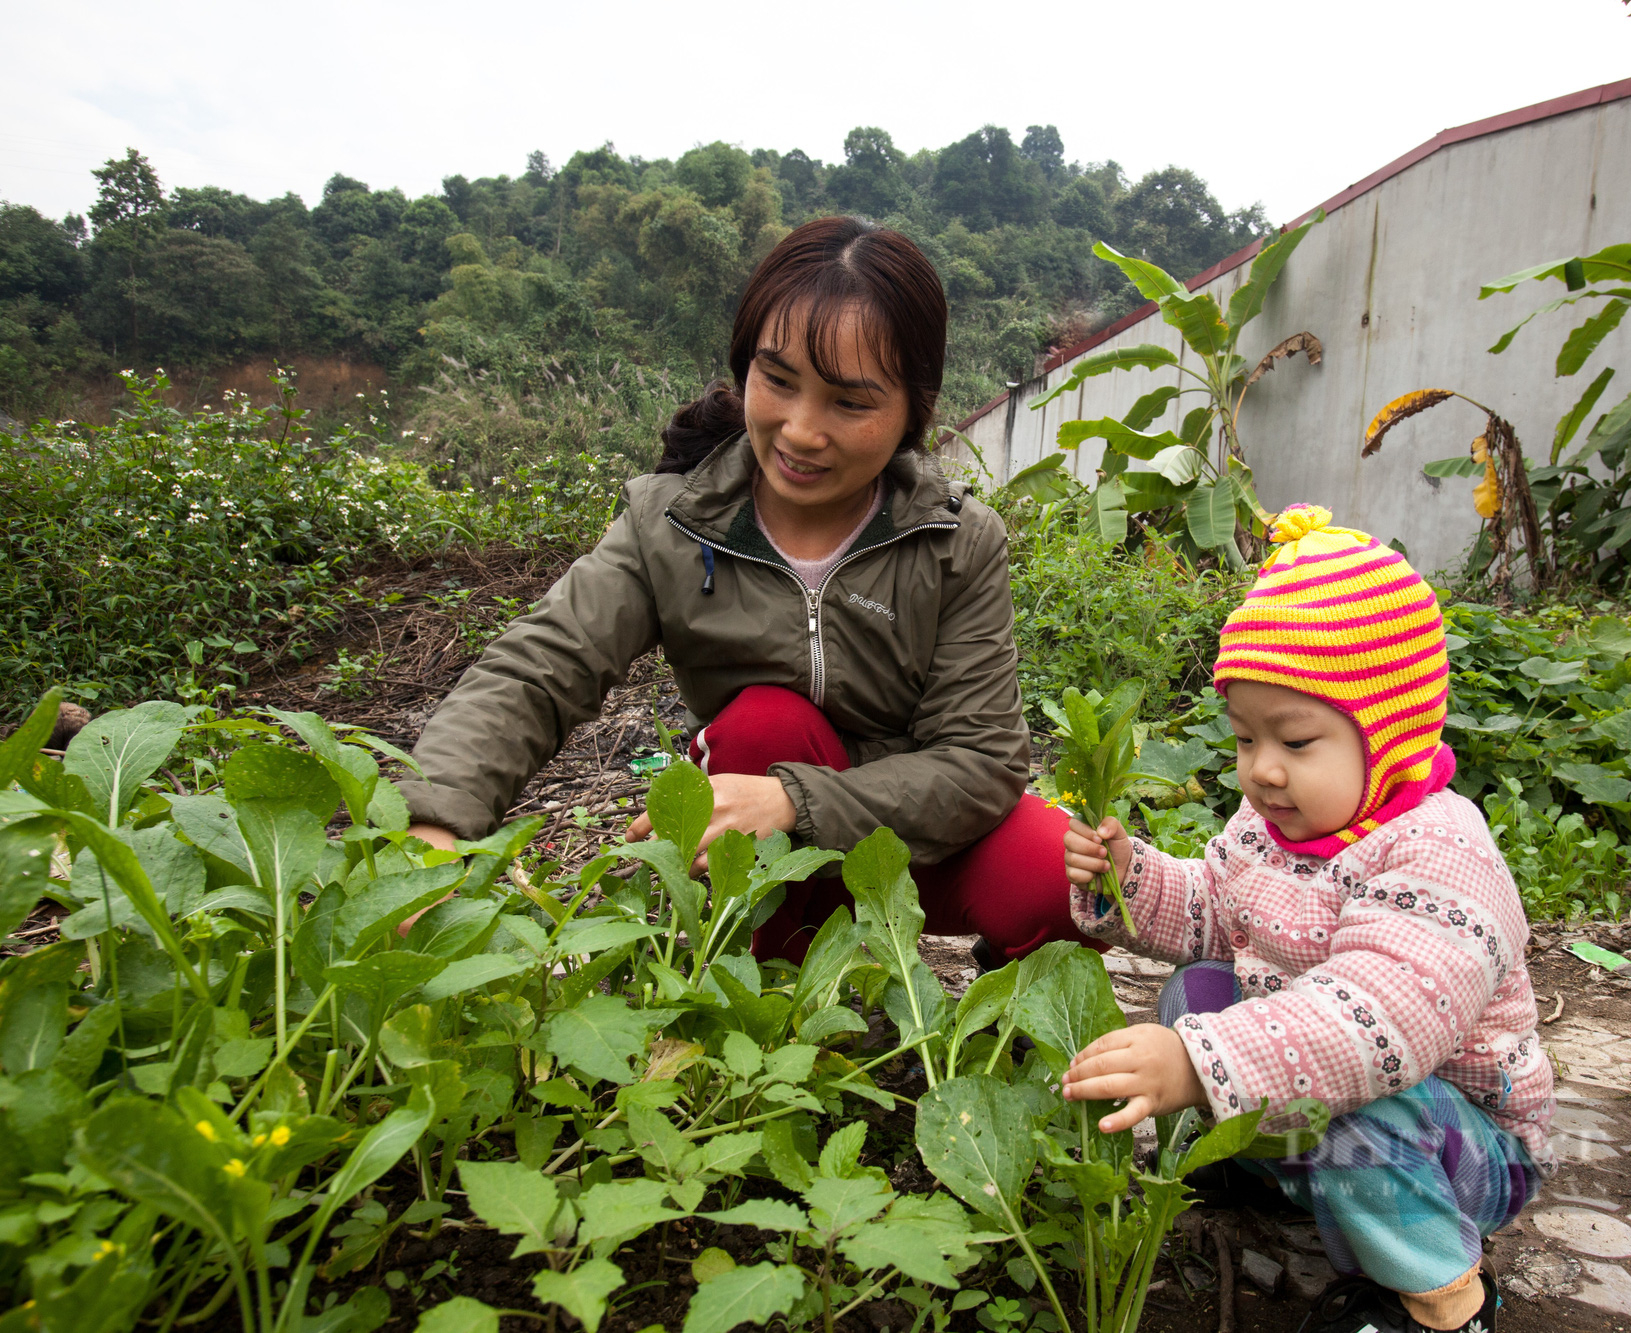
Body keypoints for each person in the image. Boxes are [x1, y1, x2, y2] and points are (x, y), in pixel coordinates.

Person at [398, 215, 1090, 964]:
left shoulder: (957, 541)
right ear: (745, 367)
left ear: (911, 412)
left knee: (1066, 875)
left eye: (849, 403)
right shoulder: (674, 523)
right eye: (779, 381)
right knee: (766, 723)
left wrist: (799, 800)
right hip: (747, 847)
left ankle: (982, 992)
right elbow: (539, 667)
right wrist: (436, 822)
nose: (799, 430)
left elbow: (982, 761)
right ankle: (764, 976)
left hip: (906, 843)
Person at [1059, 508, 1553, 1333]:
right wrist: (1130, 878)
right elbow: (1215, 910)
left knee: (1355, 1109)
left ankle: (1440, 1298)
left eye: (1295, 738)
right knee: (1198, 988)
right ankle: (1263, 1158)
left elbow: (1374, 1024)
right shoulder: (1270, 827)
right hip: (1312, 1085)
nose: (1262, 769)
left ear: (1389, 732)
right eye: (1246, 737)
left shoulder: (1443, 851)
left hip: (1455, 1143)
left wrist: (1198, 1063)